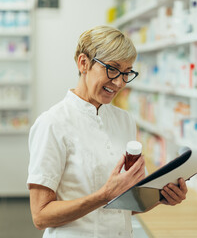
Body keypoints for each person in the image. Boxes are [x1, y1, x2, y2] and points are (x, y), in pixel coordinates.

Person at [27, 25, 188, 238]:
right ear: (83, 63)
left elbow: (126, 206)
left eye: (127, 72)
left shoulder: (125, 121)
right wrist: (104, 196)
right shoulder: (53, 123)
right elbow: (41, 216)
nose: (120, 82)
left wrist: (161, 197)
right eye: (112, 69)